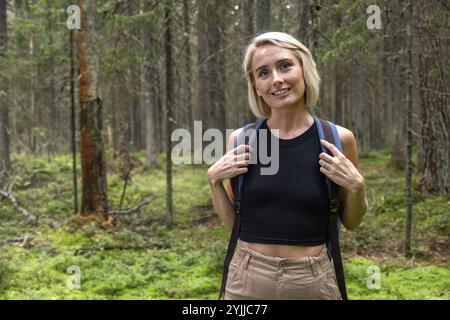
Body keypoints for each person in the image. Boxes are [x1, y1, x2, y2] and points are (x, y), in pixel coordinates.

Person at [207, 32, 368, 300]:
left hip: (312, 280)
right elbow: (237, 224)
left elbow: (351, 222)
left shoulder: (338, 139)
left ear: (303, 69)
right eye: (263, 73)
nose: (276, 79)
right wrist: (214, 182)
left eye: (285, 66)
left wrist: (358, 186)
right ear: (256, 85)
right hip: (245, 281)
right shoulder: (242, 140)